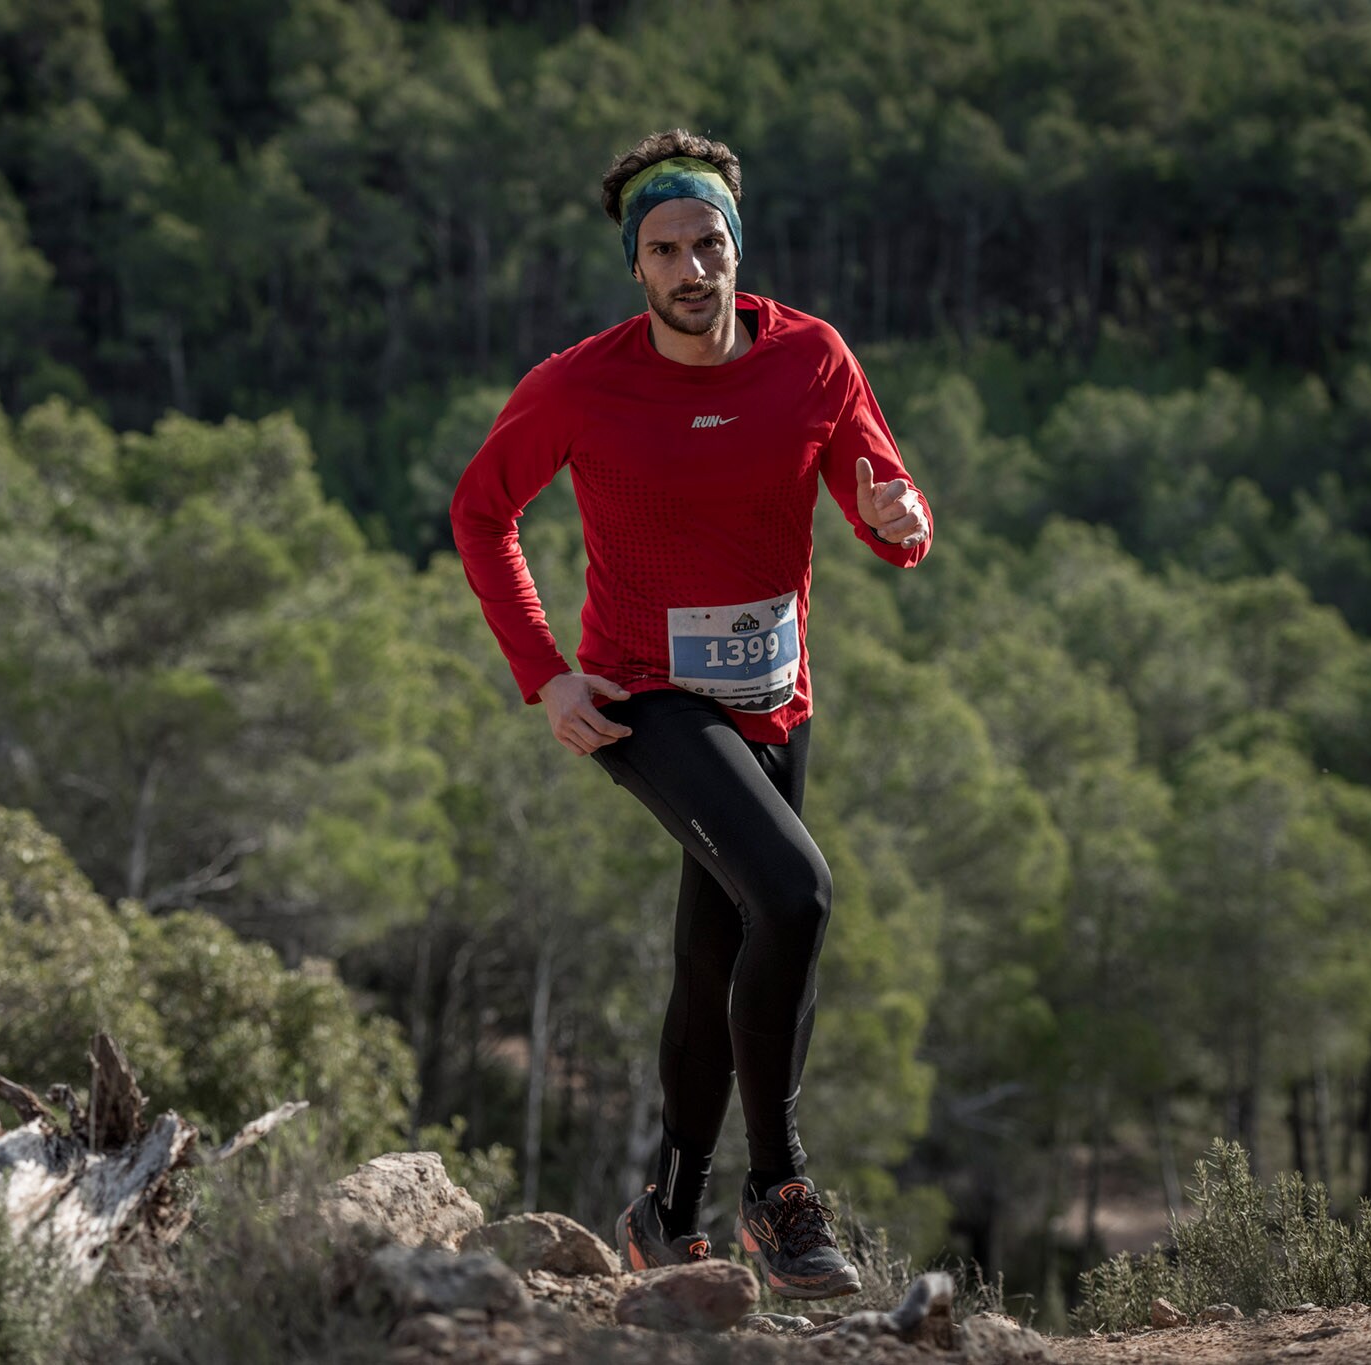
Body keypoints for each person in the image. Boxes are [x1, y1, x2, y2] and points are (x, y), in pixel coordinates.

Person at [448, 129, 932, 1300]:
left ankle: (666, 1211)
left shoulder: (812, 358)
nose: (689, 266)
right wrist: (546, 673)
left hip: (773, 698)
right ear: (636, 266)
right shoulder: (579, 383)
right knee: (797, 893)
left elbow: (883, 500)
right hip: (645, 698)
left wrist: (901, 518)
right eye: (663, 248)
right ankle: (779, 1192)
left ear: (733, 245)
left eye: (706, 241)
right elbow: (480, 513)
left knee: (720, 944)